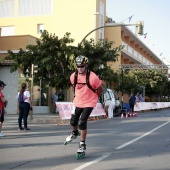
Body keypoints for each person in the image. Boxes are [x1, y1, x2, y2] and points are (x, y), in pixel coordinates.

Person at [65, 55, 103, 154]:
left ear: (86, 65)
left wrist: (94, 98)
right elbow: (76, 88)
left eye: (82, 66)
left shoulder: (93, 77)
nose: (80, 68)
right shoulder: (73, 76)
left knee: (82, 122)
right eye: (78, 66)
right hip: (78, 101)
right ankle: (74, 132)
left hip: (89, 102)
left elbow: (100, 89)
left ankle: (82, 144)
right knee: (73, 122)